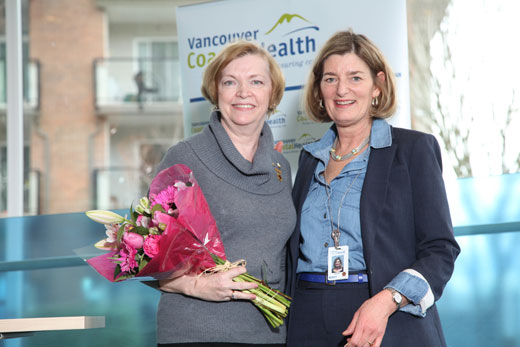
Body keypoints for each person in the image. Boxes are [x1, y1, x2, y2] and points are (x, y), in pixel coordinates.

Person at [286, 29, 460, 347]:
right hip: (307, 320)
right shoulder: (309, 159)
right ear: (319, 89)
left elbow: (440, 251)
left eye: (355, 77)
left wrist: (388, 300)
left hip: (386, 320)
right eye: (330, 79)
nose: (341, 90)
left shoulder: (412, 149)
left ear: (377, 85)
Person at [154, 40, 296, 346]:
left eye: (256, 82)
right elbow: (145, 251)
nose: (243, 92)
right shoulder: (185, 158)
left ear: (272, 93)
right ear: (216, 92)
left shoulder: (281, 166)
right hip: (199, 333)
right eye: (230, 82)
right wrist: (195, 285)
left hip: (269, 336)